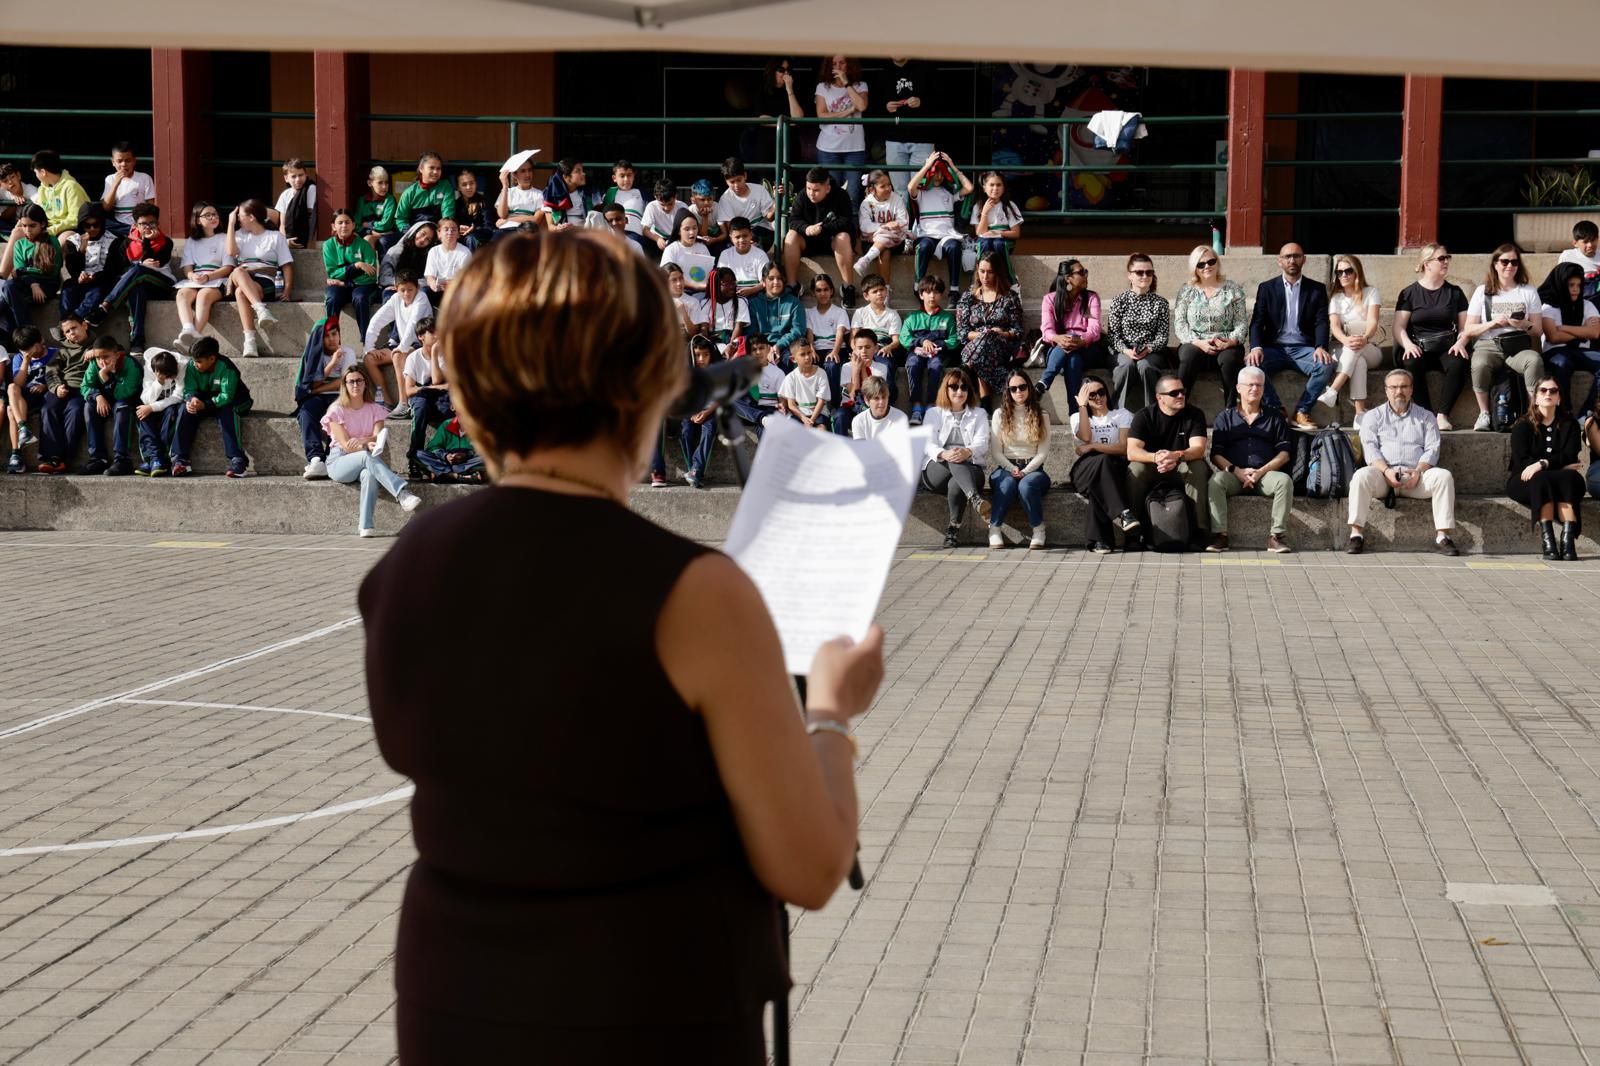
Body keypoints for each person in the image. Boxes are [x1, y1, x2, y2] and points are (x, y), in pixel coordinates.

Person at [359, 229, 883, 1061]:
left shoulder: (404, 566)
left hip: (454, 1000)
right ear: (648, 380)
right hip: (640, 1007)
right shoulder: (694, 594)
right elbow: (810, 865)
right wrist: (830, 710)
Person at [1347, 369, 1458, 556]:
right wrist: (1386, 471)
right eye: (1394, 387)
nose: (1399, 391)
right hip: (1383, 477)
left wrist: (1419, 471)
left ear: (1411, 389)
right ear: (1386, 390)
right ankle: (1356, 535)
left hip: (1416, 477)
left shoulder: (1426, 416)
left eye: (1404, 386)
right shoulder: (1372, 416)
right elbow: (1370, 448)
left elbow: (1432, 448)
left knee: (1443, 477)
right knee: (1361, 476)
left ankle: (1443, 537)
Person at [1242, 242, 1334, 431]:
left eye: (1297, 256)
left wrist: (1320, 346)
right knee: (1252, 365)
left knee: (1326, 364)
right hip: (1274, 348)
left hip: (1304, 348)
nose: (1292, 260)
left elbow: (1321, 321)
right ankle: (1277, 410)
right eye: (1287, 256)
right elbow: (1258, 321)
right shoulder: (1267, 288)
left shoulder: (1316, 289)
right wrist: (1256, 347)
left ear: (1304, 260)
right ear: (1279, 261)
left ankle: (1302, 411)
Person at [319, 365, 419, 535]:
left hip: (365, 460)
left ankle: (366, 526)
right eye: (351, 381)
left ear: (366, 383)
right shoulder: (336, 410)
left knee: (369, 475)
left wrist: (364, 441)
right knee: (365, 456)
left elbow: (377, 437)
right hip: (339, 462)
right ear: (345, 385)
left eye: (359, 380)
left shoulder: (374, 409)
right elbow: (345, 445)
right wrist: (365, 444)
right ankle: (401, 493)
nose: (355, 385)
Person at [1206, 366, 1294, 553]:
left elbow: (1284, 453)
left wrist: (1261, 471)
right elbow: (1216, 454)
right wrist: (1237, 471)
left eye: (1259, 385)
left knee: (1284, 481)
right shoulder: (1225, 417)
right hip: (1234, 474)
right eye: (1250, 385)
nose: (1255, 389)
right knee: (1216, 481)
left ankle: (1276, 537)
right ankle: (1221, 536)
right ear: (1238, 388)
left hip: (1264, 475)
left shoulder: (1275, 417)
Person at [1464, 243, 1544, 431]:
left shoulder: (1528, 291)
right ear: (1495, 264)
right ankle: (1484, 413)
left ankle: (1534, 412)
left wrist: (1522, 324)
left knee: (1534, 360)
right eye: (1505, 261)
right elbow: (1468, 328)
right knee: (1479, 364)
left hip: (1517, 345)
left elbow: (1538, 331)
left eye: (1514, 262)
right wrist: (1493, 323)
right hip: (1489, 344)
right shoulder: (1482, 291)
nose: (1510, 266)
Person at [1393, 243, 1470, 429]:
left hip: (1447, 346)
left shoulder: (1455, 293)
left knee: (1459, 362)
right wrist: (1408, 345)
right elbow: (1398, 327)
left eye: (1447, 258)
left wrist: (1461, 342)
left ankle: (1443, 415)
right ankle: (1426, 415)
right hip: (1419, 345)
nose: (1446, 262)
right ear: (1427, 264)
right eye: (1441, 258)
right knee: (1411, 362)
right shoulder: (1409, 293)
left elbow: (1465, 327)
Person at [1126, 374, 1210, 544]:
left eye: (1182, 391)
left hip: (1180, 465)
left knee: (1199, 467)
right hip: (1154, 466)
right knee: (1135, 468)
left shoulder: (1194, 414)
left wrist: (1176, 456)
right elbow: (1132, 451)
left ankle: (1200, 531)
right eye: (1174, 393)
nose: (1181, 396)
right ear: (1160, 397)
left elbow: (1198, 449)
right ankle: (1133, 534)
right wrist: (1156, 457)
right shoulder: (1144, 415)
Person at [1508, 376, 1584, 560]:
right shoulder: (1523, 426)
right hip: (1524, 480)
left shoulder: (1570, 424)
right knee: (1546, 479)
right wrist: (1556, 465)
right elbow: (1522, 461)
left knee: (1568, 478)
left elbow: (1570, 455)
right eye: (1543, 390)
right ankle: (1548, 539)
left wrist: (1542, 464)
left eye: (1553, 391)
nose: (1548, 393)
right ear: (1535, 397)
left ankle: (1568, 541)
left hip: (1558, 477)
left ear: (1559, 398)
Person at [91, 201, 175, 356]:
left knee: (138, 269)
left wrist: (148, 242)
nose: (148, 227)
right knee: (137, 289)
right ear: (136, 225)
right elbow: (119, 270)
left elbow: (156, 264)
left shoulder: (166, 242)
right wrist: (142, 262)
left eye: (152, 223)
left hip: (162, 283)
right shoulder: (125, 243)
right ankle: (137, 341)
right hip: (137, 284)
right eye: (143, 224)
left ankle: (106, 306)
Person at [1068, 375, 1138, 553]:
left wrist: (1093, 446)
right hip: (1085, 469)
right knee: (1102, 465)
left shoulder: (1122, 415)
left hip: (1115, 467)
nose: (1098, 397)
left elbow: (1123, 448)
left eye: (1101, 392)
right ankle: (1123, 513)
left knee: (1099, 482)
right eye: (1091, 395)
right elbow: (1085, 436)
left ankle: (1100, 541)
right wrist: (1082, 407)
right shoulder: (1077, 417)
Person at [922, 367, 991, 548]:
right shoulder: (933, 413)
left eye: (964, 387)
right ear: (946, 389)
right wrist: (944, 453)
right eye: (954, 387)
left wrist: (967, 452)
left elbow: (983, 443)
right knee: (953, 460)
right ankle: (975, 498)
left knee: (956, 482)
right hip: (937, 470)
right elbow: (927, 444)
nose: (959, 391)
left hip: (971, 468)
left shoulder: (979, 414)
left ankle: (953, 529)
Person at [1173, 246, 1248, 403]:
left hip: (1226, 343)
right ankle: (1179, 404)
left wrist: (1231, 341)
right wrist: (1198, 342)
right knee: (1188, 355)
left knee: (1230, 360)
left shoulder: (1232, 289)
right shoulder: (1187, 291)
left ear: (1217, 263)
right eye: (1201, 264)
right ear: (1195, 268)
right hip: (1195, 342)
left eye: (1211, 261)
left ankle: (1231, 409)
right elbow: (1180, 324)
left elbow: (1241, 322)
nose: (1207, 266)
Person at [172, 336, 253, 479]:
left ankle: (238, 460)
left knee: (227, 410)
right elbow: (189, 388)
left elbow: (226, 396)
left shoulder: (227, 368)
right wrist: (192, 399)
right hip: (206, 401)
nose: (195, 364)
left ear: (212, 359)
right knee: (185, 409)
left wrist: (206, 405)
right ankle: (180, 459)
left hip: (236, 400)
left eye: (199, 361)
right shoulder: (192, 365)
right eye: (194, 360)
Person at [988, 370, 1050, 549]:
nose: (1018, 392)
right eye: (1013, 389)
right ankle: (994, 529)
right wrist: (1011, 468)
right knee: (1006, 485)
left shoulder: (1042, 414)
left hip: (1034, 469)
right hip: (1006, 467)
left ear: (1029, 388)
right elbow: (996, 452)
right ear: (1008, 391)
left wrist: (1025, 471)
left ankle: (1039, 530)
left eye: (1022, 387)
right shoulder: (999, 414)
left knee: (1025, 485)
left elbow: (1043, 453)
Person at [223, 199, 294, 357]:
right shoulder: (239, 235)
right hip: (244, 275)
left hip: (265, 280)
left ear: (251, 217)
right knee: (239, 272)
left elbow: (287, 265)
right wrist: (230, 223)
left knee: (241, 292)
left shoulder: (275, 237)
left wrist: (287, 290)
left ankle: (250, 341)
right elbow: (230, 252)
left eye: (240, 216)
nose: (238, 219)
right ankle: (261, 309)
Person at [1036, 259, 1107, 412]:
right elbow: (1047, 331)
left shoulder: (1091, 298)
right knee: (1073, 359)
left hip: (1087, 350)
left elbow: (1095, 329)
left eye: (1085, 271)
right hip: (1059, 352)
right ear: (1068, 278)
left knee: (1072, 346)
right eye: (1081, 273)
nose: (1086, 275)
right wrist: (1057, 338)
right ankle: (1075, 413)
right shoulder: (1050, 300)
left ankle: (1044, 382)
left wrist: (1080, 340)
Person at [1103, 253, 1171, 411]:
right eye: (1139, 272)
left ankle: (1153, 413)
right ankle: (1116, 412)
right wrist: (1126, 351)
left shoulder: (1160, 303)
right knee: (1126, 366)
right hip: (1122, 350)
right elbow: (1113, 335)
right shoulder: (1119, 301)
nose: (1145, 276)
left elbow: (1162, 336)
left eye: (1149, 272)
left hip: (1151, 351)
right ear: (1130, 276)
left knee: (1145, 366)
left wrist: (1148, 349)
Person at [783, 168, 858, 306]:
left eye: (816, 190)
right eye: (808, 188)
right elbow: (793, 220)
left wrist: (822, 229)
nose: (811, 193)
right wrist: (807, 229)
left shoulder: (841, 195)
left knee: (843, 237)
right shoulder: (802, 195)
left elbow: (846, 221)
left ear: (827, 188)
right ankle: (792, 286)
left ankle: (848, 287)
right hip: (808, 241)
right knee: (791, 236)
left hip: (832, 241)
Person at [1319, 253, 1381, 420]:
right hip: (1342, 347)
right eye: (1339, 272)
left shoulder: (1371, 292)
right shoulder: (1336, 298)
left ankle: (1333, 389)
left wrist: (1365, 338)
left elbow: (1373, 322)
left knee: (1356, 347)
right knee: (1357, 361)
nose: (1343, 275)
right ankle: (1360, 414)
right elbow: (1335, 326)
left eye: (1348, 271)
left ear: (1357, 272)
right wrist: (1346, 340)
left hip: (1370, 348)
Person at [956, 253, 1023, 408]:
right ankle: (986, 402)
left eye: (990, 272)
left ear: (998, 272)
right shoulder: (968, 298)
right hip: (973, 347)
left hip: (1001, 347)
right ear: (977, 271)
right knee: (985, 345)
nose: (985, 276)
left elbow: (1018, 330)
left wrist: (1003, 333)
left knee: (987, 343)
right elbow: (962, 333)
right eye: (982, 271)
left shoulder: (1009, 298)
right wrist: (984, 335)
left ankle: (967, 368)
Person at [294, 318, 356, 480]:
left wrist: (317, 389)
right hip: (318, 398)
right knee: (306, 412)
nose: (332, 339)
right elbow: (314, 381)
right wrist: (333, 362)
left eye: (334, 334)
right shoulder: (315, 355)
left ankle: (332, 458)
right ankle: (316, 459)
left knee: (337, 413)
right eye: (327, 336)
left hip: (339, 396)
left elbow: (345, 381)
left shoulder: (348, 352)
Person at [365, 269, 435, 411]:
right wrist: (370, 347)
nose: (406, 294)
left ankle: (404, 403)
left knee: (397, 356)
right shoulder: (396, 299)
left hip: (420, 345)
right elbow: (376, 320)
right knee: (369, 359)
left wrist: (401, 348)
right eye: (402, 290)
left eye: (410, 290)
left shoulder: (421, 298)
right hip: (403, 344)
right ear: (396, 289)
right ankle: (387, 401)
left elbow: (413, 325)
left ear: (417, 288)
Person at [1537, 262, 1600, 415]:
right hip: (1556, 351)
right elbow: (1554, 337)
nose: (1575, 289)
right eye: (1571, 285)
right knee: (1562, 363)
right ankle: (1565, 412)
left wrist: (1564, 327)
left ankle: (1587, 413)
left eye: (1579, 285)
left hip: (1581, 351)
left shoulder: (1587, 305)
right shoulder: (1548, 307)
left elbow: (1595, 333)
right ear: (1561, 284)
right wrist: (1583, 330)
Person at [908, 152, 972, 292]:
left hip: (947, 236)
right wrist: (927, 165)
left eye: (942, 173)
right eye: (935, 172)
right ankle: (918, 286)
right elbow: (910, 187)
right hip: (927, 235)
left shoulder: (948, 192)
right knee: (923, 246)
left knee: (954, 247)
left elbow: (969, 188)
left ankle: (954, 290)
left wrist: (952, 166)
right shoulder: (921, 193)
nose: (938, 176)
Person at [79, 334, 142, 476]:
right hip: (106, 400)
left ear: (117, 354)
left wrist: (105, 378)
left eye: (106, 357)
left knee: (121, 407)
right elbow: (85, 386)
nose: (102, 362)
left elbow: (124, 393)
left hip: (126, 400)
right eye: (98, 358)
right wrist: (98, 396)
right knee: (89, 406)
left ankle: (122, 459)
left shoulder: (131, 365)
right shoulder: (95, 364)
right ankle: (98, 458)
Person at [36, 313, 90, 475]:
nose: (72, 333)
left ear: (84, 325)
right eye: (67, 331)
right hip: (62, 388)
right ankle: (51, 456)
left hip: (82, 390)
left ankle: (63, 459)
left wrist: (97, 352)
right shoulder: (63, 350)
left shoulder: (96, 345)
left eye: (74, 328)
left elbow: (115, 350)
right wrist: (57, 386)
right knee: (48, 409)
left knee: (74, 412)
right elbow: (51, 371)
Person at [814, 55, 870, 211]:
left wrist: (846, 82)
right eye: (834, 64)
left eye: (842, 62)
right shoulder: (822, 87)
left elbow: (862, 105)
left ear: (849, 65)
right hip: (828, 149)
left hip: (855, 149)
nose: (837, 66)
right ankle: (831, 232)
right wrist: (848, 111)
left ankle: (850, 233)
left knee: (852, 195)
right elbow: (822, 115)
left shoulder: (860, 85)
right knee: (830, 193)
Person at [900, 274, 957, 426]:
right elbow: (904, 339)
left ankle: (932, 405)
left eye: (936, 292)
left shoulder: (947, 318)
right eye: (928, 292)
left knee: (936, 366)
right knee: (912, 364)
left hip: (938, 353)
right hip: (916, 352)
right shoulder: (912, 317)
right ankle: (917, 407)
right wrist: (921, 341)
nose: (932, 296)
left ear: (941, 295)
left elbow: (953, 340)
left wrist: (938, 346)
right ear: (921, 294)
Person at [173, 201, 231, 349]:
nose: (213, 217)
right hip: (196, 280)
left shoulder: (224, 238)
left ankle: (194, 337)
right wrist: (192, 276)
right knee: (182, 294)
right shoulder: (192, 241)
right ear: (198, 220)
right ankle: (188, 328)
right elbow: (187, 268)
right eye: (208, 215)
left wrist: (208, 277)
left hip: (217, 280)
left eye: (215, 214)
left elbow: (228, 267)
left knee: (203, 295)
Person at [0, 204, 60, 338]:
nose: (28, 230)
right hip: (29, 284)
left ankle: (27, 336)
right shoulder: (20, 244)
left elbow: (52, 271)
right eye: (24, 226)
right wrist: (33, 282)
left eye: (32, 226)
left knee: (8, 299)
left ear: (42, 224)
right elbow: (19, 271)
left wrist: (28, 273)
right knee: (9, 289)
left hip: (47, 284)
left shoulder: (52, 242)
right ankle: (26, 335)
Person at [880, 58, 938, 194]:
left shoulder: (926, 68)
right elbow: (872, 104)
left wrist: (922, 102)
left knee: (920, 189)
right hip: (894, 137)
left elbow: (942, 99)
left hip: (923, 137)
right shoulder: (884, 72)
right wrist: (885, 106)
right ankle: (904, 217)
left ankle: (918, 216)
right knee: (900, 191)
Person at [323, 207, 381, 338]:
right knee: (332, 298)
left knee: (360, 298)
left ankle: (367, 342)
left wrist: (345, 282)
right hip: (340, 286)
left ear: (354, 225)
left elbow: (371, 274)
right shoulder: (328, 245)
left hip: (363, 287)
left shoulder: (364, 244)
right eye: (340, 222)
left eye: (347, 222)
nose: (344, 226)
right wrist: (357, 265)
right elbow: (332, 273)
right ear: (333, 226)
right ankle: (332, 341)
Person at [59, 205, 118, 324]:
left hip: (101, 280)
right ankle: (65, 320)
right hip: (79, 279)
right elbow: (72, 269)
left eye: (96, 225)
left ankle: (72, 321)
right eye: (87, 225)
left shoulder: (113, 240)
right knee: (67, 288)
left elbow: (112, 269)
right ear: (81, 225)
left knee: (97, 291)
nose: (92, 229)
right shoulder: (73, 241)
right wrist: (82, 249)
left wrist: (94, 277)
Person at [133, 346, 186, 476]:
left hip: (171, 405)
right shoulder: (150, 368)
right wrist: (159, 382)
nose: (170, 379)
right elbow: (146, 399)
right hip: (155, 403)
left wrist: (152, 407)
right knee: (142, 413)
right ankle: (154, 458)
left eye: (171, 376)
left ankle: (159, 458)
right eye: (168, 377)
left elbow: (178, 397)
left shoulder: (182, 366)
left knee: (171, 412)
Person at [4, 325, 49, 472]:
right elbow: (18, 384)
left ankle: (16, 454)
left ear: (40, 341)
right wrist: (26, 360)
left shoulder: (54, 354)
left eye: (30, 349)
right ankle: (23, 430)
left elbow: (60, 377)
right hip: (25, 398)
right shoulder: (19, 358)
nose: (28, 353)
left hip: (46, 396)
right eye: (24, 350)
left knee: (11, 408)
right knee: (11, 391)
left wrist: (45, 386)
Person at [853, 170, 909, 279]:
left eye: (889, 185)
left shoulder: (897, 199)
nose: (888, 188)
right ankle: (886, 290)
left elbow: (904, 222)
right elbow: (864, 226)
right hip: (871, 242)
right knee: (884, 250)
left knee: (884, 242)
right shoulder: (866, 204)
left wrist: (880, 231)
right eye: (883, 186)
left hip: (896, 240)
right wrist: (885, 227)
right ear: (872, 190)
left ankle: (866, 260)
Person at [681, 335, 721, 487]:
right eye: (697, 355)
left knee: (708, 430)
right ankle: (694, 469)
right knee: (685, 431)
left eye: (705, 354)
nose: (702, 359)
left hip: (710, 411)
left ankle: (696, 470)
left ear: (711, 355)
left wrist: (706, 413)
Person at [970, 171, 1022, 285]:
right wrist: (984, 212)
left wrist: (999, 233)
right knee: (984, 244)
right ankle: (978, 282)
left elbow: (1016, 233)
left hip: (1004, 240)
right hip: (985, 240)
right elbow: (980, 232)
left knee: (998, 244)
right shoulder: (978, 206)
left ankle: (1010, 281)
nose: (995, 188)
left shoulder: (1009, 206)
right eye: (991, 185)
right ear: (984, 188)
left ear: (1003, 188)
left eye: (999, 185)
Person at [748, 262, 806, 364]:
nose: (776, 282)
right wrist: (765, 348)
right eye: (771, 278)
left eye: (779, 278)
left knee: (788, 360)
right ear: (764, 282)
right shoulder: (754, 304)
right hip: (760, 345)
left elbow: (798, 330)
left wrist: (779, 345)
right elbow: (751, 331)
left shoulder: (794, 302)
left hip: (786, 345)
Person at [717, 158, 777, 251]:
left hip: (763, 232)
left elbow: (769, 217)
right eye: (732, 182)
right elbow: (732, 228)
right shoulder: (725, 199)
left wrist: (776, 202)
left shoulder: (759, 190)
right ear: (726, 181)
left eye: (739, 180)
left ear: (745, 175)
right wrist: (745, 239)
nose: (736, 185)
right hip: (740, 236)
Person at [806, 271, 850, 398]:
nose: (823, 293)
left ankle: (834, 402)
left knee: (831, 365)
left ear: (831, 291)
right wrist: (811, 350)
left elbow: (840, 333)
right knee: (809, 364)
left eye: (826, 289)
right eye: (818, 290)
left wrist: (835, 351)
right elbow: (809, 333)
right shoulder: (809, 313)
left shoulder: (840, 312)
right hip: (818, 349)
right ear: (813, 293)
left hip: (836, 349)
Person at [98, 142, 156, 238]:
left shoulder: (144, 178)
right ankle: (130, 231)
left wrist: (142, 223)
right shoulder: (110, 179)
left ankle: (134, 231)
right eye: (119, 161)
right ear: (113, 162)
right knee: (103, 223)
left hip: (139, 223)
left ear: (134, 161)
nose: (124, 164)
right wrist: (115, 185)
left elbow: (151, 206)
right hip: (118, 225)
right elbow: (106, 207)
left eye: (128, 161)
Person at [30, 150, 88, 241]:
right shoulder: (42, 188)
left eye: (36, 172)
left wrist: (52, 230)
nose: (36, 176)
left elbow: (75, 219)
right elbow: (39, 214)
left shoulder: (71, 186)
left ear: (43, 172)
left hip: (68, 229)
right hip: (47, 228)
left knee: (64, 239)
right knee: (18, 232)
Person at [777, 336, 831, 428]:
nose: (807, 357)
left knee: (821, 431)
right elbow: (791, 405)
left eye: (809, 353)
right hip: (799, 414)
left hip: (818, 413)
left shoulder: (821, 373)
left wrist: (811, 421)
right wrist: (803, 419)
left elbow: (821, 401)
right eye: (802, 354)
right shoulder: (791, 377)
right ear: (793, 359)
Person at [415, 414, 486, 484]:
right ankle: (458, 476)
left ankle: (445, 474)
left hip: (467, 462)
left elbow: (484, 450)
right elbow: (432, 447)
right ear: (453, 408)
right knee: (418, 454)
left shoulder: (479, 426)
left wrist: (467, 455)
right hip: (446, 463)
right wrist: (445, 456)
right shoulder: (446, 424)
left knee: (487, 458)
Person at [851, 272, 902, 366]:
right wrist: (856, 350)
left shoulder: (893, 314)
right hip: (864, 349)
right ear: (866, 296)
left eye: (881, 290)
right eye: (875, 291)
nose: (879, 293)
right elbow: (854, 337)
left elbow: (896, 341)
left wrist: (888, 347)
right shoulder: (860, 313)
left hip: (883, 349)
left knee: (885, 364)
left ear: (886, 291)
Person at [396, 152, 458, 227]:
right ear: (421, 169)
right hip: (416, 234)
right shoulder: (409, 193)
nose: (435, 172)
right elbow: (401, 219)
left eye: (438, 168)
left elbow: (448, 214)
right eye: (431, 168)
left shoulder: (445, 186)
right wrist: (410, 233)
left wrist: (442, 230)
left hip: (439, 232)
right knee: (385, 239)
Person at [267, 157, 316, 248]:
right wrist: (285, 241)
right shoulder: (285, 195)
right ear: (286, 178)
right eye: (293, 176)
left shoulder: (310, 189)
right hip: (290, 238)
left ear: (306, 175)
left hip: (305, 237)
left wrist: (310, 242)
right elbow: (282, 223)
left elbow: (311, 218)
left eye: (301, 175)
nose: (298, 179)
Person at [379, 220, 439, 294]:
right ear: (415, 231)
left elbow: (428, 278)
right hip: (394, 286)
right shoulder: (396, 251)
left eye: (428, 239)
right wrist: (399, 283)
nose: (423, 240)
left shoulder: (428, 256)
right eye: (422, 234)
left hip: (417, 288)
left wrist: (412, 285)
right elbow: (384, 276)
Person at [717, 217, 771, 298]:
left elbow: (765, 281)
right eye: (737, 237)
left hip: (755, 296)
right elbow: (720, 280)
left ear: (751, 234)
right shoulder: (725, 254)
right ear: (731, 237)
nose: (741, 240)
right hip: (731, 295)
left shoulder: (760, 255)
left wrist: (751, 290)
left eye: (745, 236)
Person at [660, 213, 713, 294]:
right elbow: (666, 276)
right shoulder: (671, 249)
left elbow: (709, 272)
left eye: (694, 228)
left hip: (703, 292)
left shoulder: (702, 248)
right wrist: (695, 286)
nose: (692, 232)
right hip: (680, 293)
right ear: (678, 231)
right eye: (687, 229)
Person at [495, 157, 547, 234]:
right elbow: (502, 214)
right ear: (515, 174)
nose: (528, 174)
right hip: (505, 230)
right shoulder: (508, 192)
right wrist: (505, 187)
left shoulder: (539, 194)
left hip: (526, 230)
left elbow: (535, 219)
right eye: (523, 171)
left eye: (530, 170)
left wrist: (508, 219)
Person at [423, 216, 472, 294]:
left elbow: (465, 278)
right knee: (424, 291)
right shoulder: (433, 251)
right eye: (446, 229)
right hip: (438, 289)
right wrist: (433, 285)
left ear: (458, 234)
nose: (450, 233)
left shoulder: (465, 252)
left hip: (456, 290)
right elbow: (430, 276)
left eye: (453, 230)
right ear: (439, 233)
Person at [359, 165, 401, 253]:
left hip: (387, 234)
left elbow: (385, 225)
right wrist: (370, 231)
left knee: (368, 239)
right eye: (380, 183)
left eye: (386, 183)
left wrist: (368, 224)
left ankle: (372, 266)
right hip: (370, 233)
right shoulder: (362, 201)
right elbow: (356, 223)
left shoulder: (390, 199)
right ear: (370, 183)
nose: (384, 187)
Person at [850, 375, 907, 440]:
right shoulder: (859, 421)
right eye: (876, 398)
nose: (881, 402)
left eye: (884, 397)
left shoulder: (900, 418)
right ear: (867, 401)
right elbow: (861, 449)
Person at [452, 168, 496, 250]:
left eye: (471, 183)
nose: (469, 187)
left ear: (476, 184)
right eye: (464, 184)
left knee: (471, 238)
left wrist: (474, 228)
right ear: (458, 187)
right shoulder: (455, 204)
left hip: (479, 239)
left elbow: (490, 227)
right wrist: (458, 228)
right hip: (461, 238)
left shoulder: (484, 202)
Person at [1559, 219, 1598, 301]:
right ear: (1575, 243)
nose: (1590, 245)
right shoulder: (1568, 256)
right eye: (1585, 242)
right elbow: (1561, 280)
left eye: (1593, 240)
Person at [0, 163, 39, 238]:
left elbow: (40, 211)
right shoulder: (2, 192)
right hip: (9, 226)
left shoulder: (31, 190)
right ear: (1, 184)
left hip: (27, 227)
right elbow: (3, 216)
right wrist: (14, 204)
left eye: (12, 177)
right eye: (5, 181)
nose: (10, 182)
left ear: (18, 176)